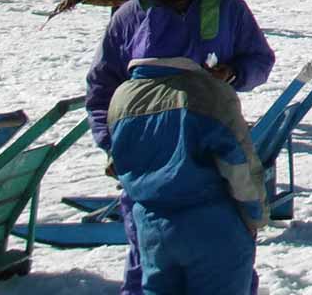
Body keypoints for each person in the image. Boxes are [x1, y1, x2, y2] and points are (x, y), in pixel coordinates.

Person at [85, 0, 275, 295]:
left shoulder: (226, 9)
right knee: (147, 269)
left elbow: (260, 60)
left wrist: (234, 73)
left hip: (208, 159)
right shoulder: (128, 18)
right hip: (148, 167)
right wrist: (113, 146)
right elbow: (100, 89)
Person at [106, 56, 266, 295]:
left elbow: (115, 164)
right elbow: (237, 163)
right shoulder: (208, 91)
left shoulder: (122, 96)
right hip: (212, 225)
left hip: (152, 226)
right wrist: (255, 214)